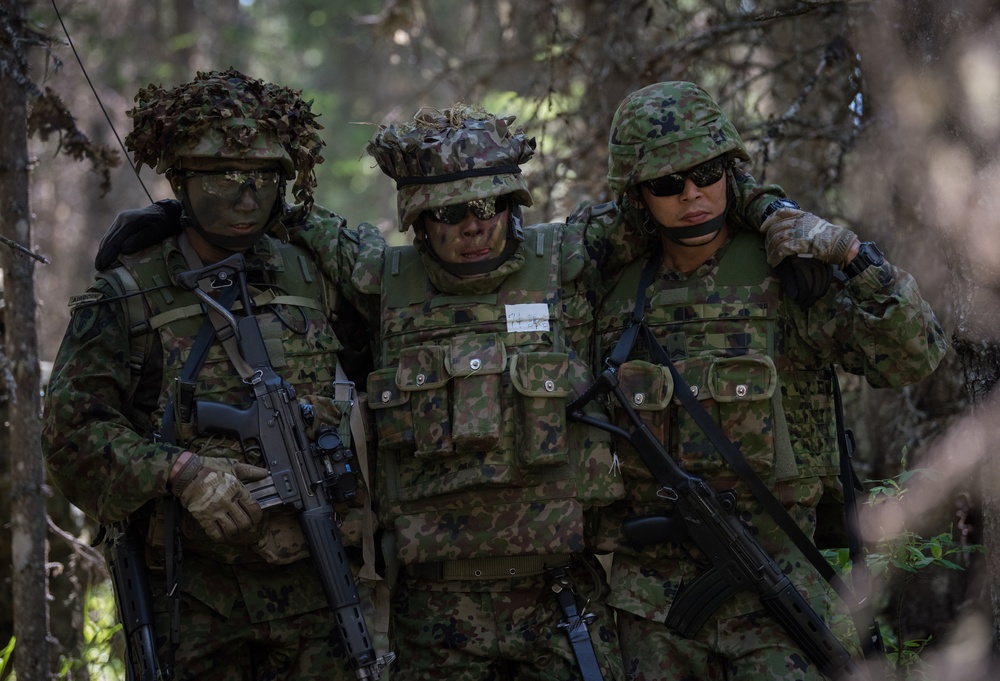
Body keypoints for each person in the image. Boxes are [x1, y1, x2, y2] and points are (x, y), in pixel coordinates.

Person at [580, 81, 949, 680]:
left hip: (780, 572)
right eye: (667, 184)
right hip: (654, 600)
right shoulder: (612, 288)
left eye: (707, 171)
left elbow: (914, 357)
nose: (692, 194)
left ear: (730, 168)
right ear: (638, 194)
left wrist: (854, 257)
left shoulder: (788, 270)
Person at [42, 69, 385, 681]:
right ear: (181, 181)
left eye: (261, 179)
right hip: (192, 598)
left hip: (317, 586)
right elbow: (72, 435)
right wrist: (181, 472)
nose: (246, 198)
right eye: (223, 178)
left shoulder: (314, 273)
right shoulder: (127, 294)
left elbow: (388, 380)